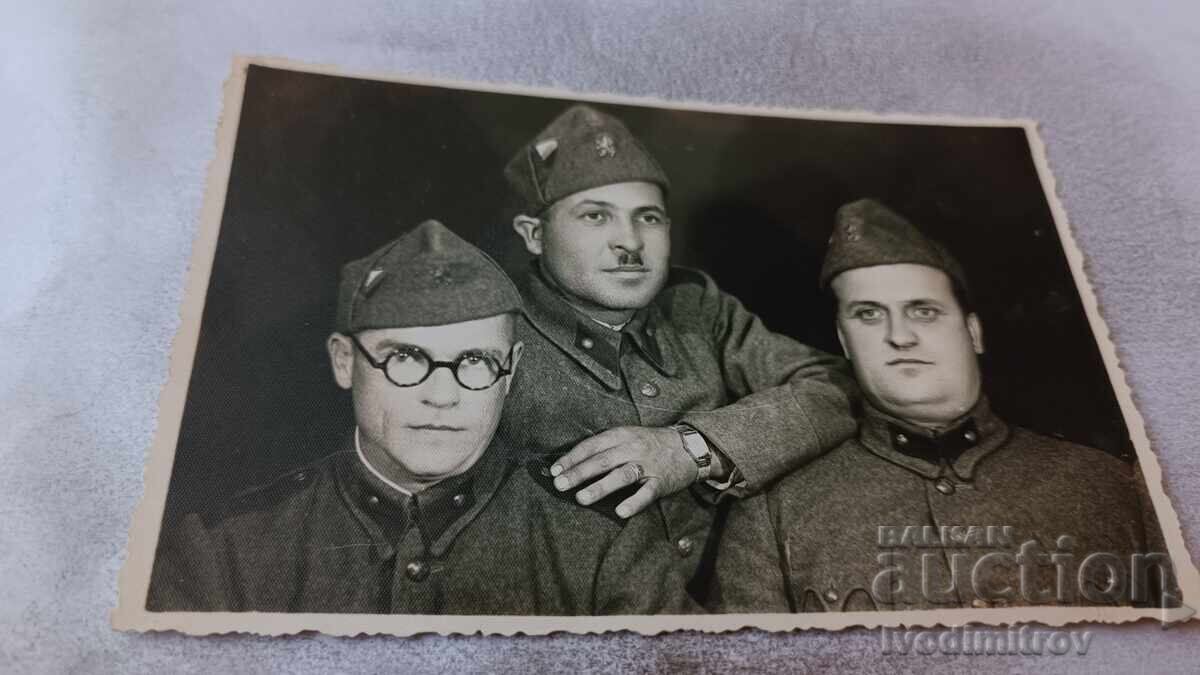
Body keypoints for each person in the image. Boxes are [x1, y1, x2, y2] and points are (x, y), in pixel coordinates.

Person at [147, 220, 698, 615]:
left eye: (476, 362)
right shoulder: (224, 552)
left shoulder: (601, 542)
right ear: (345, 362)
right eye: (406, 359)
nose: (442, 395)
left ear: (510, 372)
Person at [709, 199, 1174, 612]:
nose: (900, 335)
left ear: (973, 332)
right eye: (868, 314)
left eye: (923, 310)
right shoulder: (772, 515)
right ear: (844, 342)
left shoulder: (1113, 489)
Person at [498, 105, 858, 586]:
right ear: (534, 235)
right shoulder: (490, 335)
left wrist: (691, 449)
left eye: (647, 217)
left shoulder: (696, 309)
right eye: (595, 216)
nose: (629, 241)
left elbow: (836, 387)